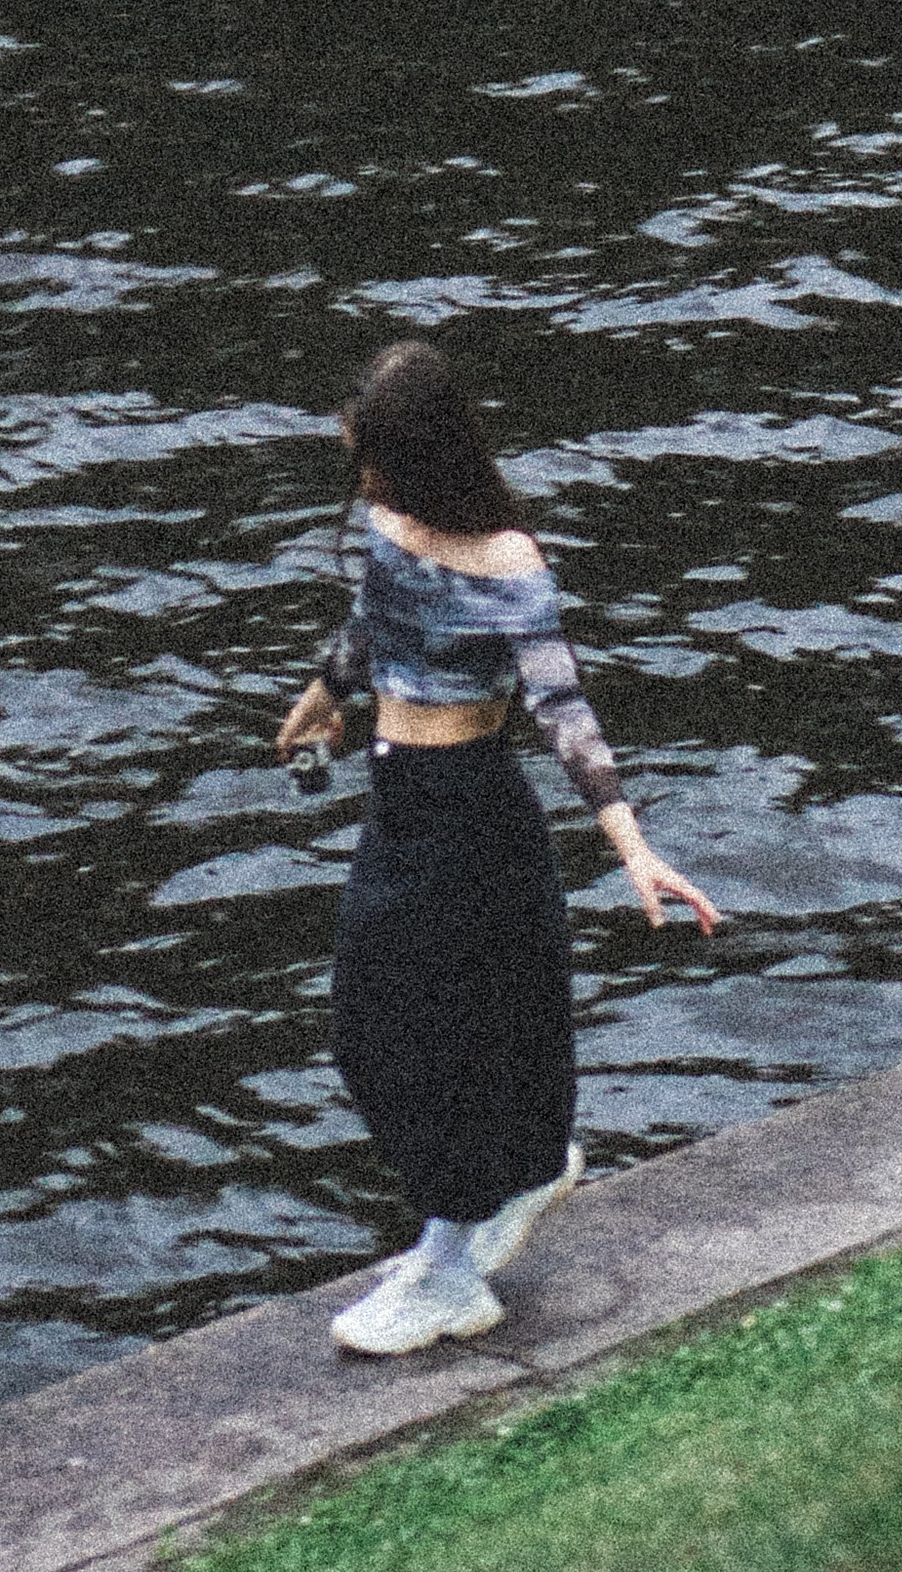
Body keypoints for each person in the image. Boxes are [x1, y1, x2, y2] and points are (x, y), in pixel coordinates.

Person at [276, 339, 721, 1356]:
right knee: (366, 1032)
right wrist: (317, 702)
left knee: (429, 1041)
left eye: (373, 459)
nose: (363, 478)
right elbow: (372, 621)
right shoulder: (390, 528)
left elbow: (563, 709)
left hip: (472, 816)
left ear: (419, 456)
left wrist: (633, 847)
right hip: (398, 800)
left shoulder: (509, 563)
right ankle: (505, 1186)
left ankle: (449, 1268)